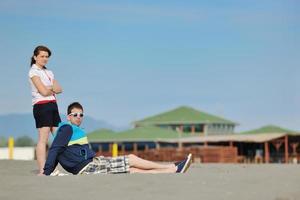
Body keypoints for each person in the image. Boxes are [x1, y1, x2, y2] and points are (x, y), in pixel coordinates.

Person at [43, 102, 192, 176]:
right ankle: (172, 167)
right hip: (87, 167)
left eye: (81, 115)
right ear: (68, 116)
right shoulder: (67, 128)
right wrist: (47, 171)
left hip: (88, 166)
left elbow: (60, 150)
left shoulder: (71, 130)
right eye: (75, 115)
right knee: (131, 159)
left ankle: (170, 170)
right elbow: (55, 149)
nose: (78, 118)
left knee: (132, 170)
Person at [28, 45, 63, 175]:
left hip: (53, 105)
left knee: (60, 137)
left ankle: (55, 166)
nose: (44, 59)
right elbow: (42, 91)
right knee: (43, 139)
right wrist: (51, 88)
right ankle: (43, 169)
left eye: (47, 56)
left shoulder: (49, 72)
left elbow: (60, 89)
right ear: (35, 57)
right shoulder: (33, 71)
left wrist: (50, 88)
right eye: (42, 56)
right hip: (41, 106)